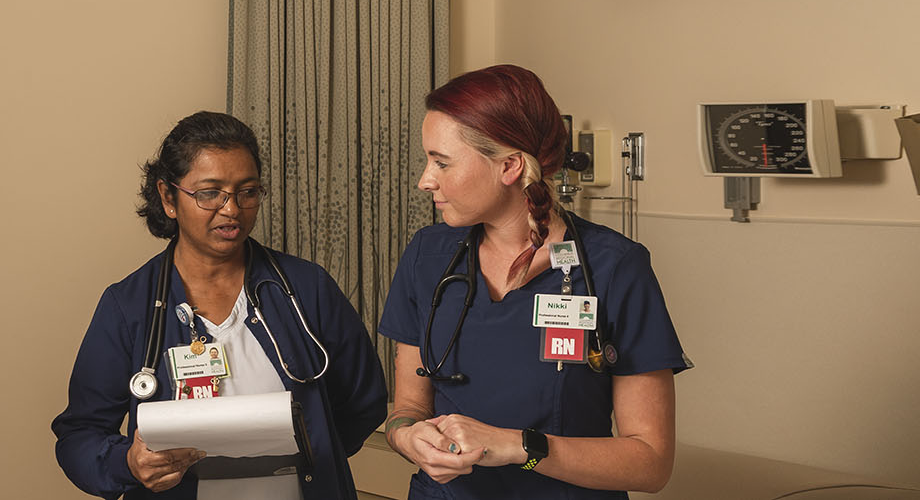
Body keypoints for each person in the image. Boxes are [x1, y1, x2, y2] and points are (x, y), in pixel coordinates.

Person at [377, 65, 689, 499]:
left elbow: (650, 464)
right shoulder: (428, 257)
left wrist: (516, 447)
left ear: (509, 166)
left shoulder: (614, 269)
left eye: (441, 162)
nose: (425, 179)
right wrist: (407, 437)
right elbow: (407, 410)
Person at [53, 111, 389, 499]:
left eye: (247, 192)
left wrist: (313, 457)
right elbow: (79, 436)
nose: (232, 210)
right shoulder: (128, 306)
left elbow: (363, 401)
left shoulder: (306, 288)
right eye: (209, 193)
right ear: (168, 197)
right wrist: (127, 463)